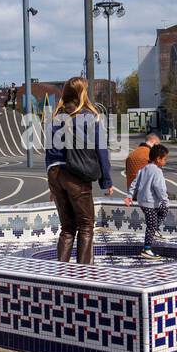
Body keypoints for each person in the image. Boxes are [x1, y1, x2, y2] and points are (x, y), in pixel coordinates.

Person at [45, 76, 113, 265]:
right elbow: (101, 150)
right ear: (82, 93)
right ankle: (83, 275)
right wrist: (106, 181)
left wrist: (52, 185)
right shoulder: (90, 116)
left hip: (54, 173)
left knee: (67, 228)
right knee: (85, 226)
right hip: (75, 174)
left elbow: (48, 151)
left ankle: (61, 272)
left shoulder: (55, 116)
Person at [125, 143, 170, 258]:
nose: (166, 161)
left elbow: (135, 183)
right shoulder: (157, 171)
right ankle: (147, 249)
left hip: (143, 202)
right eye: (165, 159)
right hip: (150, 203)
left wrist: (130, 196)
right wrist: (165, 199)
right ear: (158, 159)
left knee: (156, 218)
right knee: (152, 224)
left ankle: (154, 230)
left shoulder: (143, 169)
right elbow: (159, 187)